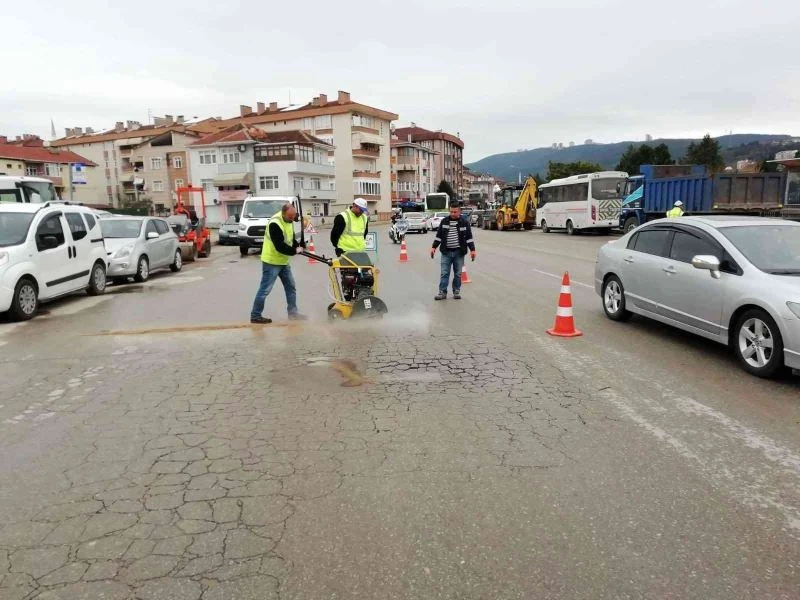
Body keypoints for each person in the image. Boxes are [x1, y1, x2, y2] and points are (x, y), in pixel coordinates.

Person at [250, 203, 306, 324]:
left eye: (293, 217)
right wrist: (294, 251)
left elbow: (290, 238)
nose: (292, 220)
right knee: (265, 289)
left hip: (283, 261)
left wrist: (298, 246)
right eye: (290, 217)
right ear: (283, 213)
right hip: (271, 261)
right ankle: (255, 315)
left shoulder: (288, 221)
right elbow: (280, 246)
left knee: (291, 287)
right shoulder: (275, 224)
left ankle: (293, 314)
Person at [430, 203, 476, 300]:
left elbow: (469, 238)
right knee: (444, 273)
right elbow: (439, 236)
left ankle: (456, 291)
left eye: (455, 212)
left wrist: (473, 250)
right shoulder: (444, 221)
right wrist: (434, 247)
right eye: (451, 211)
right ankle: (442, 292)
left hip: (459, 253)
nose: (453, 213)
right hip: (446, 252)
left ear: (459, 212)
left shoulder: (464, 222)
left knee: (458, 273)